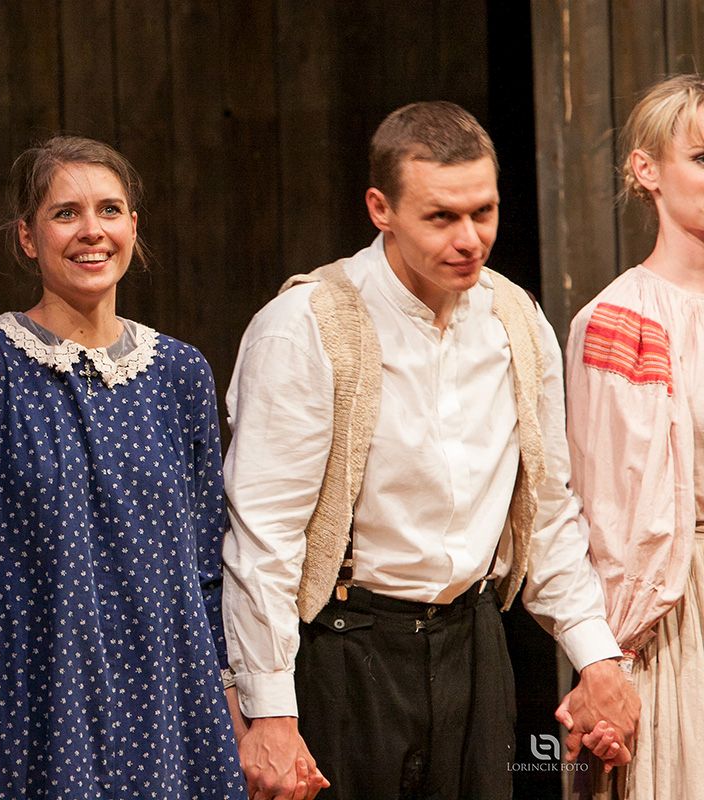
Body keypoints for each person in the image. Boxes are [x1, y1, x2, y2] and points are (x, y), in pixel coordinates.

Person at [222, 101, 640, 800]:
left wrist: (595, 656)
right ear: (380, 209)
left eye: (483, 212)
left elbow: (545, 509)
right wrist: (269, 711)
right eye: (441, 217)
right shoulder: (306, 325)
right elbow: (265, 537)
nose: (470, 239)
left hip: (472, 642)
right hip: (346, 645)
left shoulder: (515, 319)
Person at [0, 135, 245, 799]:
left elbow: (206, 565)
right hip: (38, 701)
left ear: (133, 226)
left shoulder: (179, 374)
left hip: (170, 703)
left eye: (109, 210)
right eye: (65, 213)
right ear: (27, 237)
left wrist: (237, 701)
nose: (91, 231)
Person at [565, 73, 704, 800]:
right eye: (702, 158)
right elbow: (607, 515)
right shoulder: (621, 321)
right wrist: (608, 662)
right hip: (677, 615)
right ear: (647, 170)